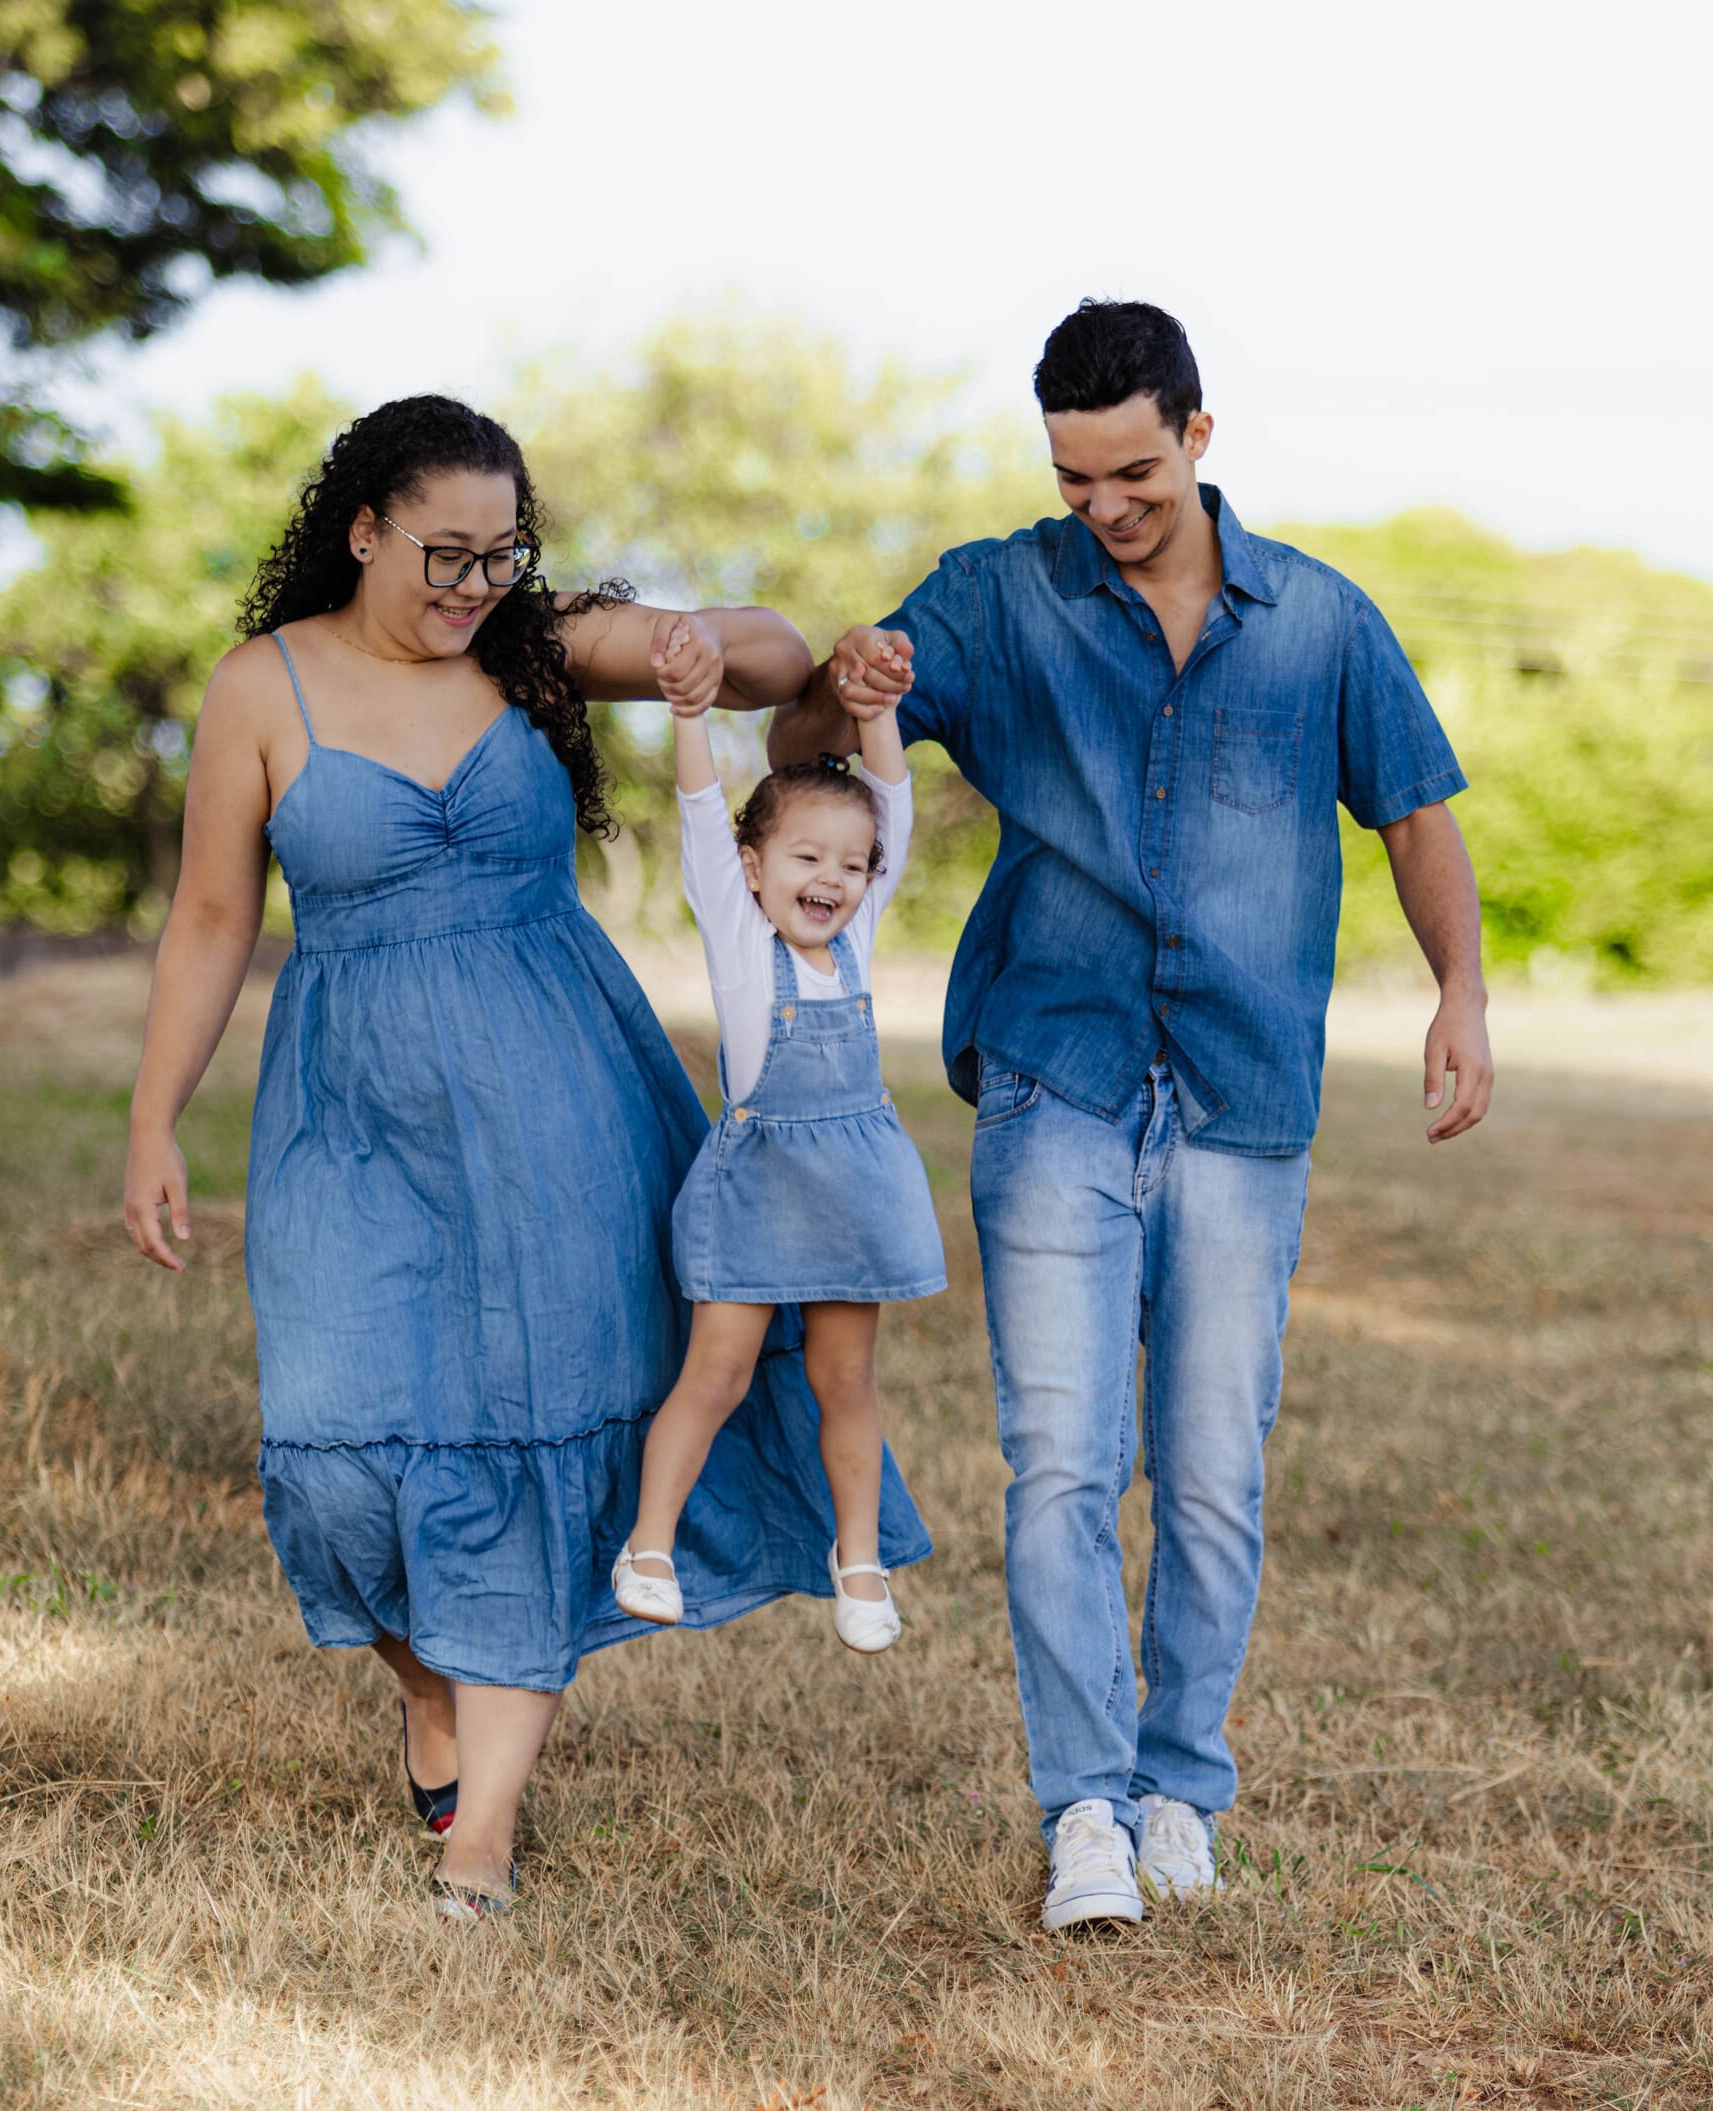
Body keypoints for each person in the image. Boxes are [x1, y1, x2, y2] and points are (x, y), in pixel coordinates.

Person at [122, 394, 932, 1919]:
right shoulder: (263, 686)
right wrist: (154, 1115)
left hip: (562, 1089)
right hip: (351, 1110)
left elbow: (763, 653)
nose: (470, 587)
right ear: (359, 527)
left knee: (535, 1431)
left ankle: (482, 1821)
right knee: (335, 1456)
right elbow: (215, 918)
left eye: (502, 554)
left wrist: (710, 653)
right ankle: (432, 1685)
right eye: (442, 554)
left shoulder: (528, 639)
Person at [762, 300, 1496, 1931]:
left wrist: (1461, 992)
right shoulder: (997, 595)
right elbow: (818, 749)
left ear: (1200, 437)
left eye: (1135, 473)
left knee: (1216, 1470)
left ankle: (1182, 1787)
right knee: (1059, 1465)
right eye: (1076, 476)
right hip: (1057, 1072)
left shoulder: (1318, 622)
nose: (1106, 506)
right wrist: (840, 683)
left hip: (1243, 1093)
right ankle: (1084, 1807)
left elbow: (1418, 812)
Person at [609, 631, 945, 1655]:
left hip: (849, 1194)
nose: (832, 878)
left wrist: (877, 707)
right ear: (753, 870)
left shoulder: (856, 937)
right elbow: (703, 816)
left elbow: (894, 803)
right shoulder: (742, 936)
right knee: (718, 1375)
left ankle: (857, 1559)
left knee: (844, 1382)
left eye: (850, 865)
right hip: (758, 1190)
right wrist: (686, 715)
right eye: (806, 857)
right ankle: (650, 1547)